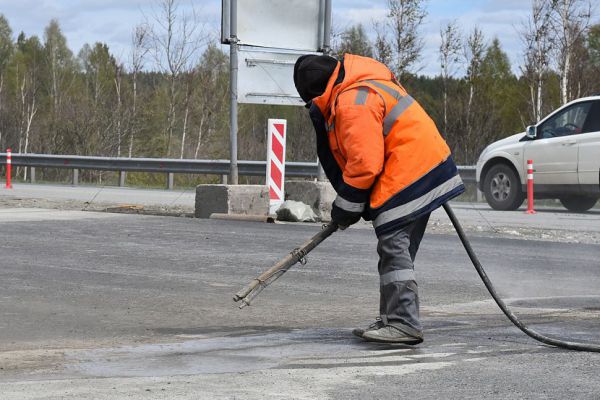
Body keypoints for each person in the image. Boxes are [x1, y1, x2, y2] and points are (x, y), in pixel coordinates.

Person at [293, 53, 465, 345]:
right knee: (397, 250)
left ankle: (403, 323)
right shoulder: (362, 85)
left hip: (411, 173)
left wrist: (345, 208)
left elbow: (364, 164)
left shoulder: (351, 103)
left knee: (394, 245)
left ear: (314, 94)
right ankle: (392, 319)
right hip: (423, 167)